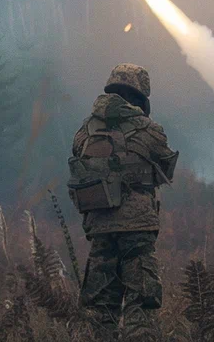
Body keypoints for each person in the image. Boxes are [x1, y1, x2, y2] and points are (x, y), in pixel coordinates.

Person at [68, 64, 179, 341]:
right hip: (137, 227)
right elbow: (166, 166)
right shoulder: (150, 129)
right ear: (141, 95)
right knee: (141, 301)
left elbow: (77, 154)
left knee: (101, 305)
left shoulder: (86, 128)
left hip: (100, 226)